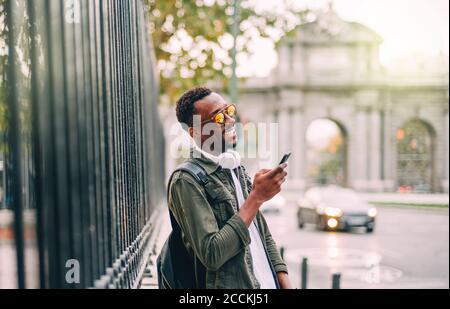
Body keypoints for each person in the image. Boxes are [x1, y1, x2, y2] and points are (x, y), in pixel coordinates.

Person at [168, 87, 291, 289]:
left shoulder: (235, 168)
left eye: (229, 111)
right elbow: (212, 253)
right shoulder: (186, 180)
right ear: (195, 132)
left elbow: (262, 233)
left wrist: (285, 282)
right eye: (218, 118)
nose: (231, 120)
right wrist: (257, 197)